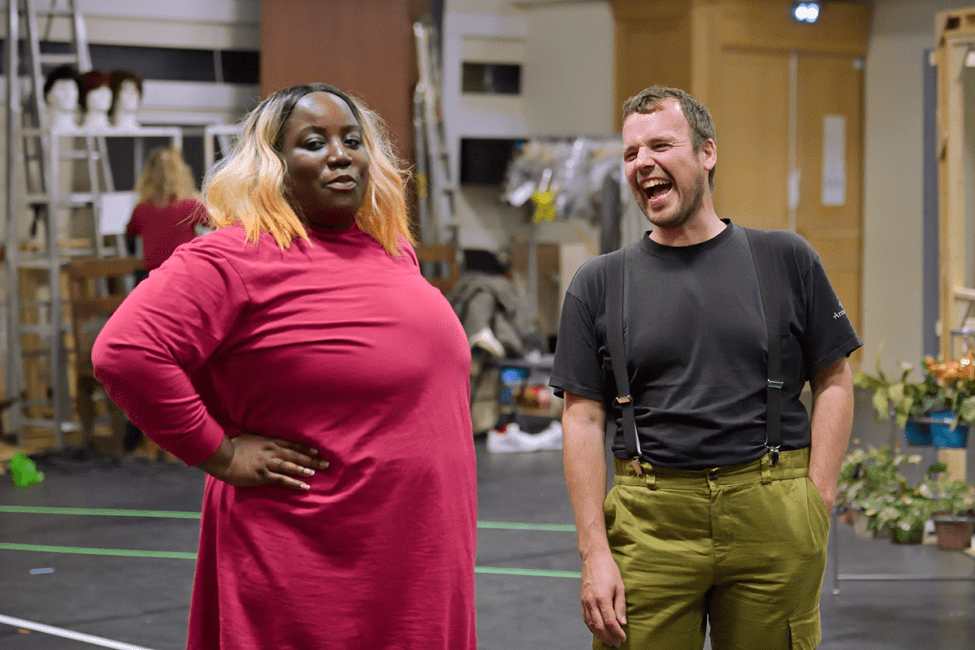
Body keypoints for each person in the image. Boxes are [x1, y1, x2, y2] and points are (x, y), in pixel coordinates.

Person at [92, 83, 477, 649]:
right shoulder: (233, 256)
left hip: (418, 555)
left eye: (352, 140)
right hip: (312, 561)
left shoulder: (391, 249)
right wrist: (218, 451)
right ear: (271, 165)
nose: (340, 154)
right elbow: (125, 353)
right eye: (313, 142)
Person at [550, 85, 861, 650]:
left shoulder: (785, 258)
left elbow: (834, 380)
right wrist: (595, 551)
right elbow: (582, 420)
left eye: (661, 146)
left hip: (772, 513)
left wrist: (818, 500)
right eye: (630, 153)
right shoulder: (598, 284)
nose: (643, 164)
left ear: (707, 153)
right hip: (649, 522)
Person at [126, 147, 209, 277]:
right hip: (183, 271)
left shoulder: (141, 208)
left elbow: (130, 233)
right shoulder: (189, 205)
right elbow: (217, 223)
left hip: (152, 274)